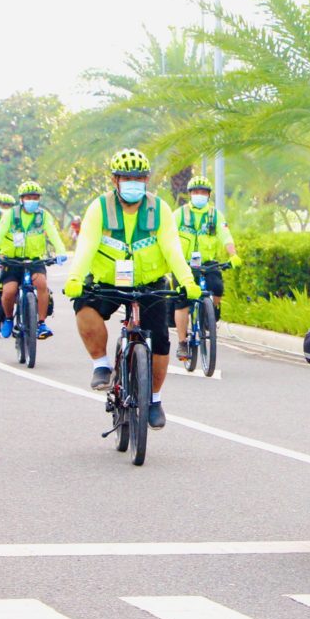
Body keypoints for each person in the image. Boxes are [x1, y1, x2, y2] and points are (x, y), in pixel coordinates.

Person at [61, 149, 200, 426]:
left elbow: (172, 249)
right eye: (127, 177)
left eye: (138, 178)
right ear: (115, 180)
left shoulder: (159, 209)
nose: (133, 183)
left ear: (146, 180)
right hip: (107, 281)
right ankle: (101, 364)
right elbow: (86, 246)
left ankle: (155, 400)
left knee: (160, 339)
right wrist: (75, 278)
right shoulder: (99, 208)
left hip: (149, 283)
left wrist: (187, 281)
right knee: (84, 308)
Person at [172, 174, 240, 362]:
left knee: (217, 287)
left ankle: (210, 314)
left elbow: (225, 236)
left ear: (208, 195)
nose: (199, 195)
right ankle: (182, 342)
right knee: (182, 301)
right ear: (190, 194)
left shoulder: (215, 215)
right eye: (196, 192)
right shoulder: (180, 214)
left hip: (207, 262)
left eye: (203, 192)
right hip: (183, 263)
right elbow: (167, 236)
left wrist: (233, 255)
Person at [0, 180, 68, 340]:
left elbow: (53, 234)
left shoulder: (43, 216)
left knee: (42, 285)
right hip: (12, 261)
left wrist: (61, 251)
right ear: (21, 199)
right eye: (28, 197)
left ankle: (41, 323)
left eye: (35, 197)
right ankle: (9, 318)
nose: (32, 200)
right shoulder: (11, 214)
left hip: (34, 261)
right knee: (9, 291)